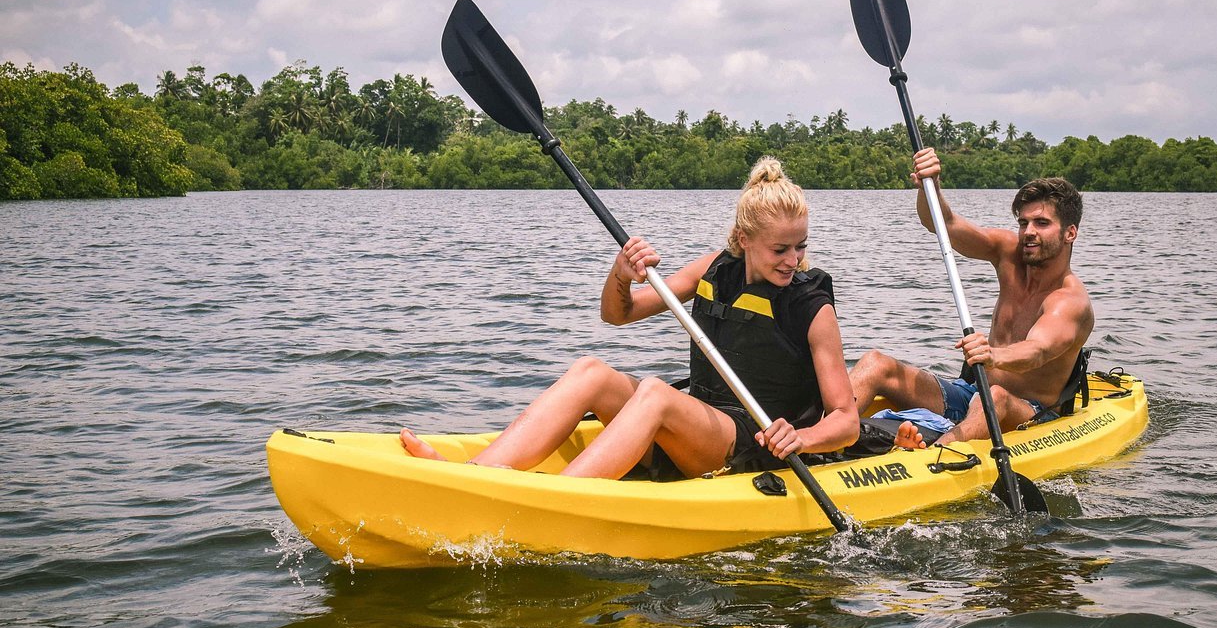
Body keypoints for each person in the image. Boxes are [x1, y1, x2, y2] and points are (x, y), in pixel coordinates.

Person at [400, 156, 860, 479]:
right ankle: (478, 474)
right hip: (698, 424)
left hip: (752, 443)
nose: (793, 259)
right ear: (742, 239)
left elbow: (846, 420)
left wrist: (801, 439)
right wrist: (621, 274)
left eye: (800, 245)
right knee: (592, 372)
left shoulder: (811, 305)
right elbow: (618, 315)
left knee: (657, 394)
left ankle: (562, 496)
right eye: (780, 249)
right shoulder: (712, 270)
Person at [852, 146, 1093, 448]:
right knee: (877, 364)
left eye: (1041, 223)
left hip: (1028, 412)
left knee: (996, 397)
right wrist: (931, 185)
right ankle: (823, 435)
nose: (1028, 232)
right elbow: (943, 224)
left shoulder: (1069, 301)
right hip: (972, 393)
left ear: (1070, 233)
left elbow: (1037, 351)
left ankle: (934, 458)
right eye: (1023, 223)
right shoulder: (1008, 251)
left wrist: (995, 355)